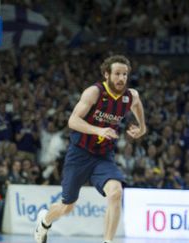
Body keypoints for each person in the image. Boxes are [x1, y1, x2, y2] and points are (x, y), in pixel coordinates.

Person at [34, 55, 146, 243]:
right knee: (67, 206)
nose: (121, 78)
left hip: (104, 156)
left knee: (116, 192)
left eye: (125, 74)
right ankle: (44, 222)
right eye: (117, 74)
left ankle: (108, 241)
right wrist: (99, 129)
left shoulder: (130, 95)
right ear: (106, 74)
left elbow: (137, 104)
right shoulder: (94, 92)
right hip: (80, 153)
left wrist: (142, 127)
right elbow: (73, 121)